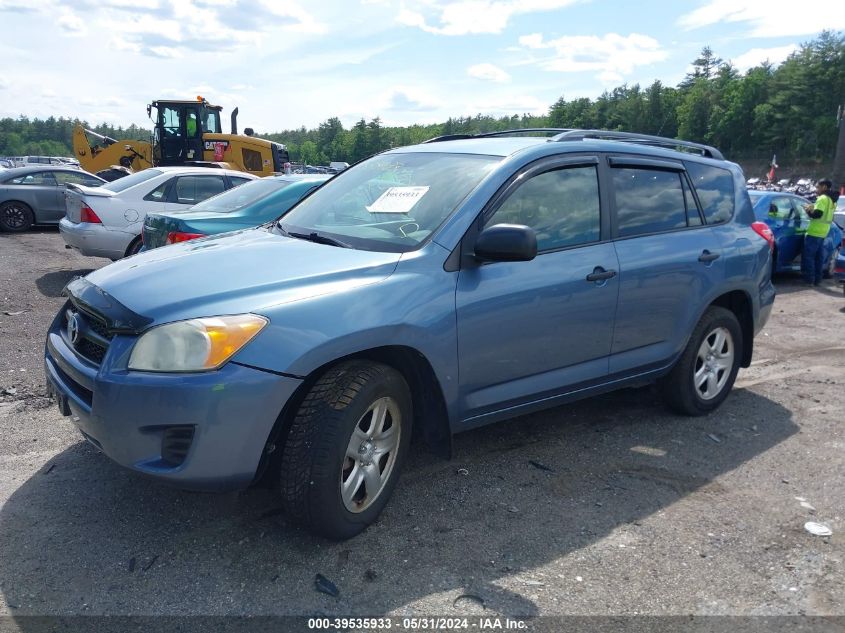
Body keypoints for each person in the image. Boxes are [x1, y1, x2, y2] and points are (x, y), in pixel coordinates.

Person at [801, 179, 836, 286]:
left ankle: (809, 280)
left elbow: (817, 214)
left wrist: (808, 210)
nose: (816, 189)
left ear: (824, 187)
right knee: (818, 258)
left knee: (809, 257)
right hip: (823, 232)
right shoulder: (832, 200)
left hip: (814, 232)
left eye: (818, 187)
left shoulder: (822, 198)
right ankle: (817, 280)